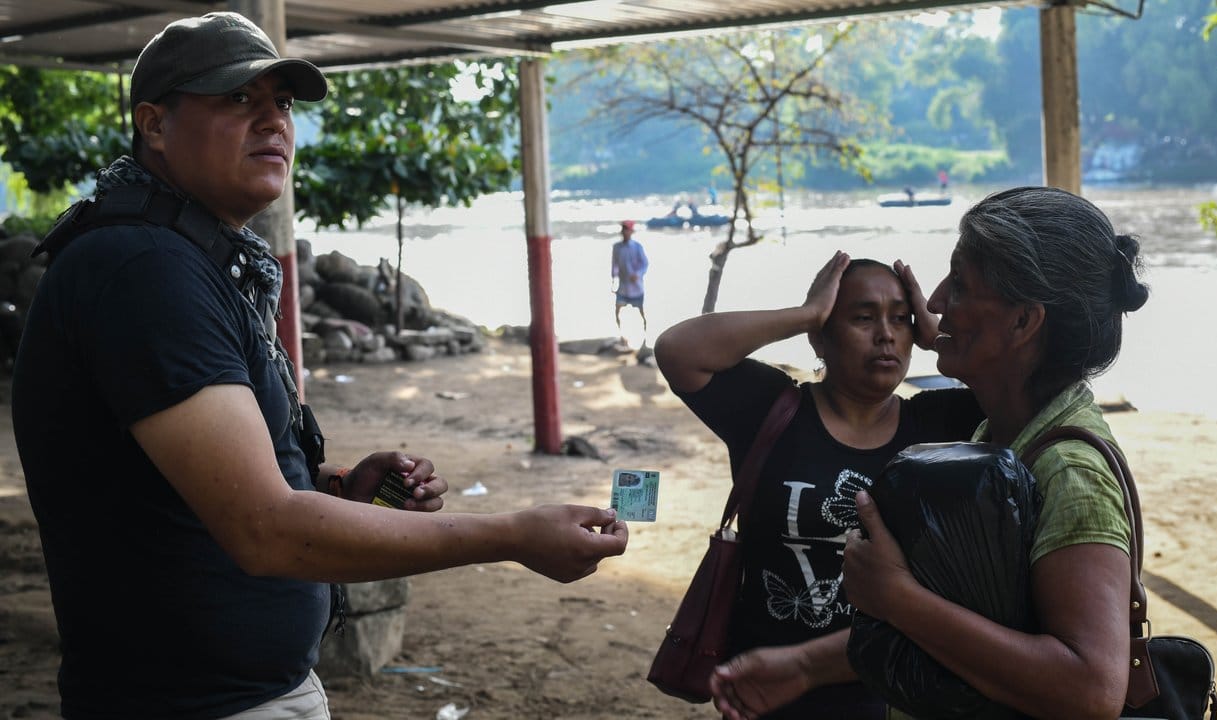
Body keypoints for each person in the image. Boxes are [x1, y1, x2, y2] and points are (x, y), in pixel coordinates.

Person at [10, 12, 627, 720]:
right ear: (154, 125)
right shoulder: (142, 268)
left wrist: (333, 484)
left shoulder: (190, 257)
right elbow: (264, 528)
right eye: (238, 99)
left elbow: (189, 481)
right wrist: (514, 534)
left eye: (284, 103)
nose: (273, 121)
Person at [842, 186, 1149, 719]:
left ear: (1025, 322)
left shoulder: (1068, 471)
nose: (934, 302)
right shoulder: (1007, 429)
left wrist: (896, 597)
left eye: (958, 285)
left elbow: (1091, 688)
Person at [654, 252, 985, 719]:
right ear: (822, 336)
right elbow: (677, 349)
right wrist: (804, 314)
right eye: (863, 318)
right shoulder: (771, 407)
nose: (886, 335)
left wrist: (941, 340)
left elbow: (1034, 396)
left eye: (901, 319)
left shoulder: (939, 423)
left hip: (890, 689)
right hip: (764, 682)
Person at [611, 218, 649, 347]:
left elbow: (645, 264)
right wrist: (613, 282)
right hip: (622, 287)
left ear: (631, 231)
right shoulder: (616, 248)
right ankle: (622, 337)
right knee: (617, 311)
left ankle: (645, 338)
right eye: (623, 229)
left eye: (627, 229)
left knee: (642, 313)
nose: (624, 232)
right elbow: (614, 266)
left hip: (636, 287)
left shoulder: (638, 247)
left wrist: (637, 275)